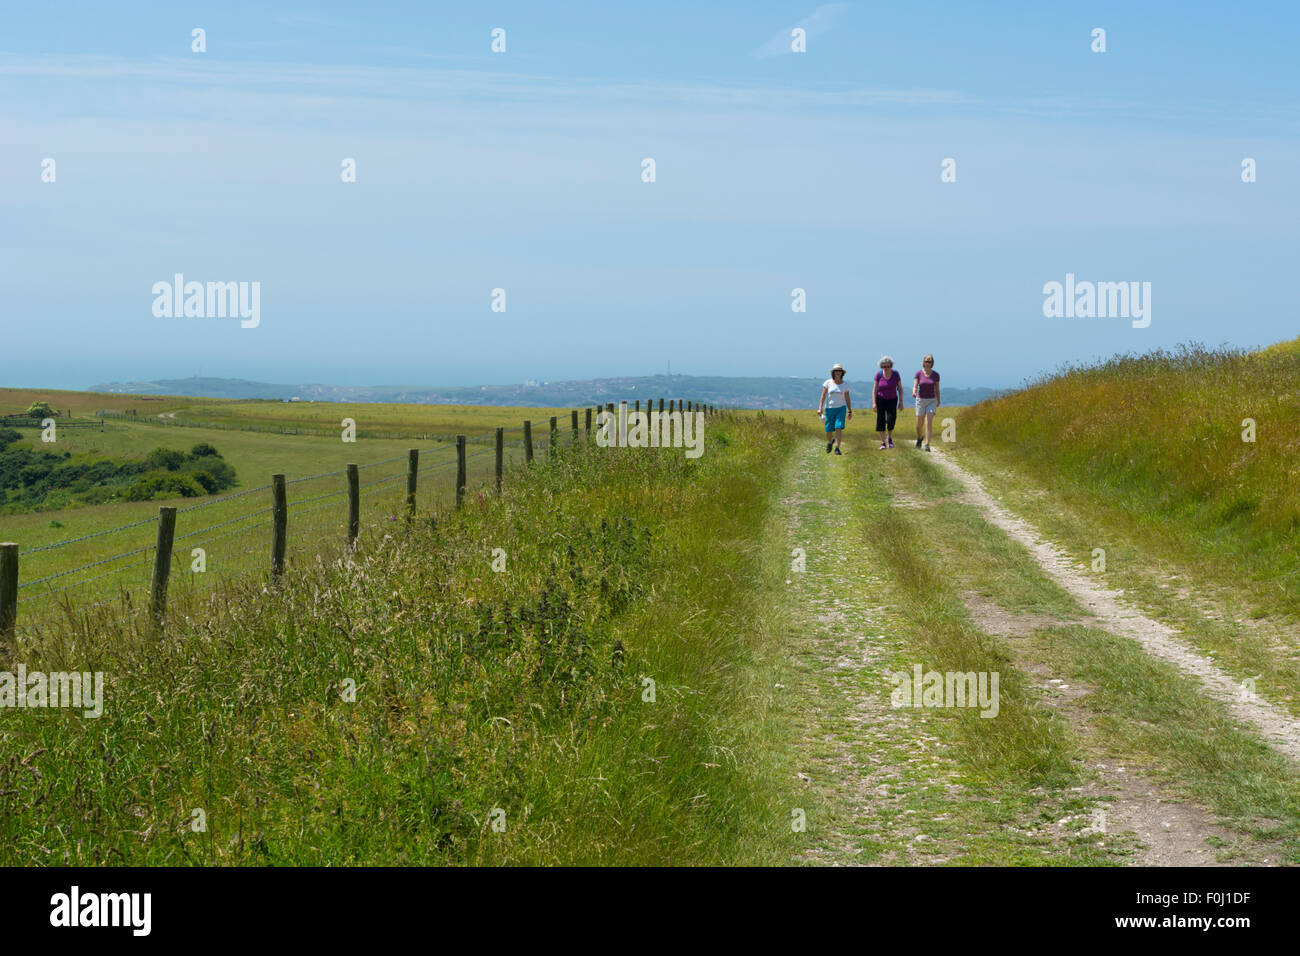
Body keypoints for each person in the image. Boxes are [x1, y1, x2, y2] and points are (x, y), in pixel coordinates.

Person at [817, 363, 852, 455]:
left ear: (842, 373)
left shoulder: (845, 385)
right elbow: (823, 396)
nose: (837, 372)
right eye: (836, 371)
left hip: (841, 409)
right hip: (829, 409)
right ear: (833, 372)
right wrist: (820, 408)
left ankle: (837, 448)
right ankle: (830, 441)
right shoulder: (828, 383)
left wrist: (850, 410)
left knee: (838, 427)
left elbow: (847, 397)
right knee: (828, 430)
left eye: (839, 371)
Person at [872, 356, 902, 449]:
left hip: (892, 400)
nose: (886, 368)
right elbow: (874, 389)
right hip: (880, 399)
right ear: (881, 367)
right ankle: (883, 442)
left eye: (887, 366)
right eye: (884, 366)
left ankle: (889, 438)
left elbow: (900, 388)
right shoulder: (879, 374)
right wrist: (874, 403)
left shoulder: (896, 374)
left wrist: (901, 401)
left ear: (891, 366)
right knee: (880, 420)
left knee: (891, 420)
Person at [912, 354, 941, 452]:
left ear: (932, 363)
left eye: (930, 361)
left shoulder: (936, 375)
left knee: (929, 422)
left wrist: (938, 400)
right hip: (920, 400)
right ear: (923, 362)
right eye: (926, 361)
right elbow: (915, 385)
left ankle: (927, 444)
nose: (928, 363)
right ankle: (920, 437)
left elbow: (937, 389)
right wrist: (914, 391)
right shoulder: (918, 373)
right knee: (918, 425)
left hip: (931, 400)